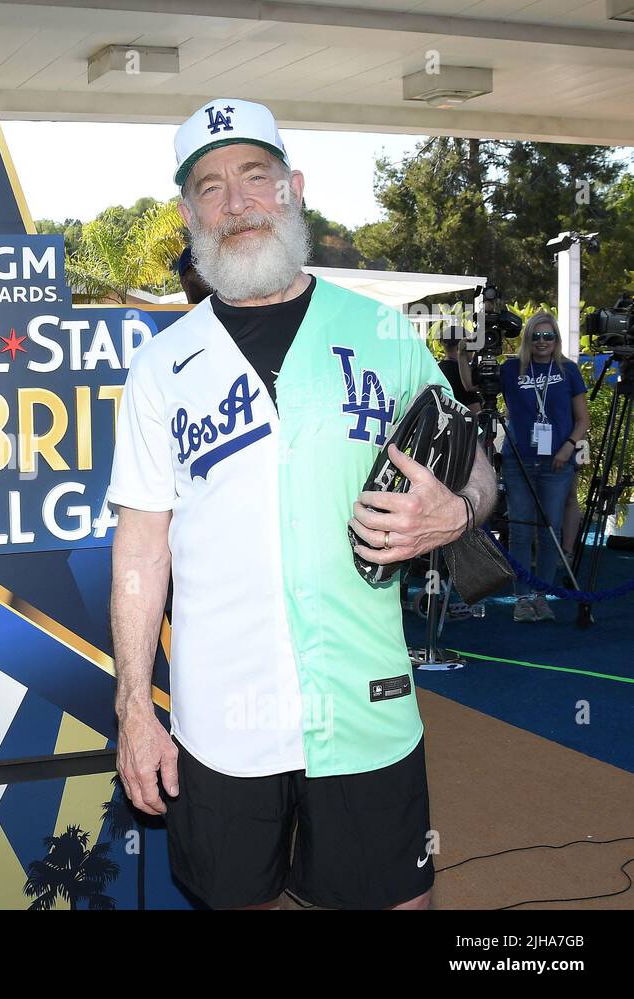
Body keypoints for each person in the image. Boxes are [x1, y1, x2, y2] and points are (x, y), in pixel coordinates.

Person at [107, 98, 497, 911]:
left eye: (256, 176)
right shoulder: (162, 365)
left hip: (366, 705)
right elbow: (142, 551)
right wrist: (135, 709)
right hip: (221, 720)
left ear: (294, 189)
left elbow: (477, 468)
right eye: (210, 187)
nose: (237, 201)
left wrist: (454, 514)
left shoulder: (383, 333)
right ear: (188, 214)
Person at [498, 311, 590, 622]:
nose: (541, 341)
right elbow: (472, 386)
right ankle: (522, 598)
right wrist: (470, 348)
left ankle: (541, 595)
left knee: (550, 531)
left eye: (548, 336)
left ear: (556, 340)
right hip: (519, 461)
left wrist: (568, 446)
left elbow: (583, 420)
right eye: (536, 336)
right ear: (526, 338)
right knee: (522, 531)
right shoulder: (511, 369)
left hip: (557, 462)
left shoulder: (568, 370)